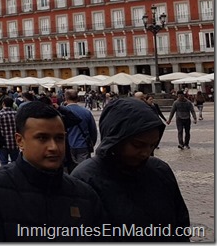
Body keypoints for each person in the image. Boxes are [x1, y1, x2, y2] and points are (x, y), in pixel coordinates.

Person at [0, 102, 103, 241]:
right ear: (20, 140)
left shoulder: (84, 194)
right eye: (42, 138)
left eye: (59, 138)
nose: (54, 147)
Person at [71, 98, 192, 240]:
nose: (146, 153)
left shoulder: (160, 170)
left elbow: (180, 224)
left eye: (152, 145)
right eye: (137, 145)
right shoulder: (85, 180)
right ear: (116, 140)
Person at [63, 89, 98, 171]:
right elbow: (93, 130)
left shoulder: (63, 112)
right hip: (83, 145)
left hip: (68, 146)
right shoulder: (86, 112)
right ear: (77, 98)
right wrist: (91, 143)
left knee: (70, 171)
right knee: (84, 170)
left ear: (66, 98)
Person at [0, 97, 19, 166]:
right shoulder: (17, 114)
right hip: (15, 142)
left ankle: (6, 176)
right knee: (15, 162)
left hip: (3, 142)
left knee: (4, 162)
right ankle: (15, 175)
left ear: (3, 104)